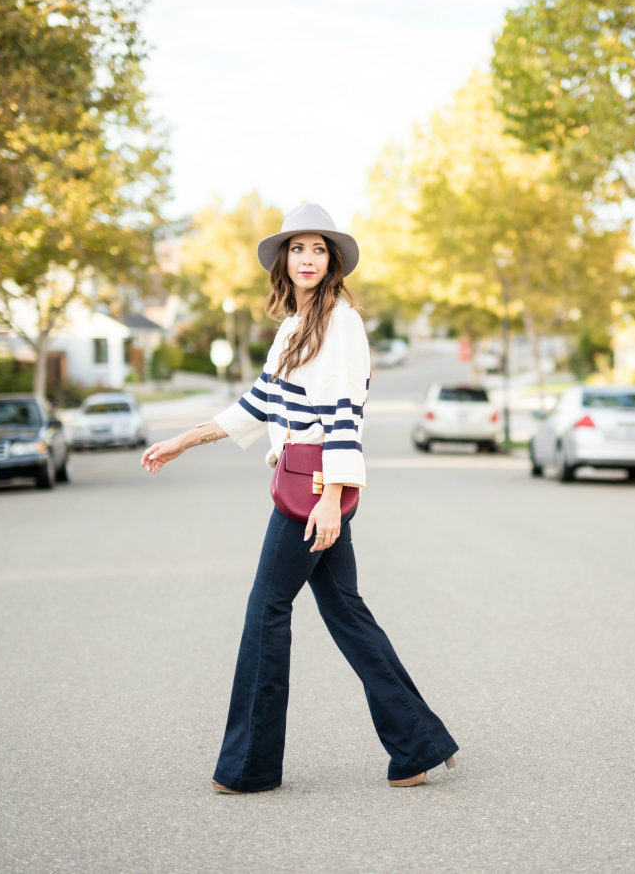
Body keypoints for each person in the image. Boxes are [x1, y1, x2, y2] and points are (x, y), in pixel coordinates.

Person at [140, 204, 459, 793]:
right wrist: (185, 439)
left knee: (266, 610)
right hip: (306, 485)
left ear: (332, 261)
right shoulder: (294, 327)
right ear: (283, 261)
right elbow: (259, 404)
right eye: (297, 249)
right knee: (346, 612)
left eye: (317, 249)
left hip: (313, 491)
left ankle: (250, 767)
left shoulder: (342, 323)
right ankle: (418, 746)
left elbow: (344, 416)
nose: (307, 259)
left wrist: (332, 497)